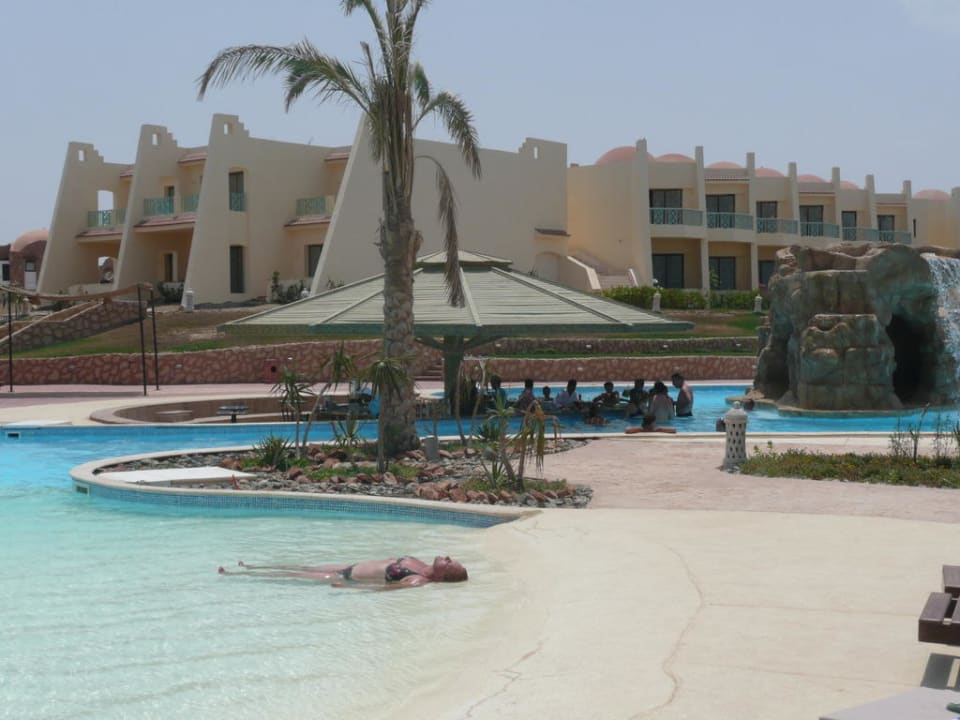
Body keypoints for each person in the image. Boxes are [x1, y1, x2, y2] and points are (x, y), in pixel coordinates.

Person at [218, 556, 468, 589]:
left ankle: (236, 576)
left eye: (449, 563)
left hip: (346, 577)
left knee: (294, 576)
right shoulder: (420, 563)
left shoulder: (417, 580)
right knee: (302, 567)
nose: (447, 557)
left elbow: (383, 589)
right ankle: (252, 567)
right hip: (348, 566)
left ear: (441, 576)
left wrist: (349, 587)